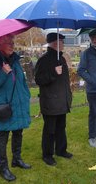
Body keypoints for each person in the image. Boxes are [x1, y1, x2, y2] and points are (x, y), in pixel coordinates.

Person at [0, 34, 31, 182]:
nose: (12, 44)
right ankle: (3, 168)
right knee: (2, 137)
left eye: (12, 41)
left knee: (18, 132)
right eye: (7, 42)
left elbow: (21, 81)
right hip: (3, 106)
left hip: (19, 103)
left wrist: (26, 95)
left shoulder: (15, 60)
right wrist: (3, 72)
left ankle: (16, 159)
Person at [34, 32, 73, 166]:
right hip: (50, 102)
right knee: (50, 130)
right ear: (55, 43)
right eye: (62, 41)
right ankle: (47, 154)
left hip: (61, 100)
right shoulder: (43, 60)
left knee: (61, 127)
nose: (63, 44)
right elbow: (38, 80)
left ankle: (61, 150)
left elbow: (64, 81)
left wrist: (68, 95)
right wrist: (53, 73)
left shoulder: (61, 59)